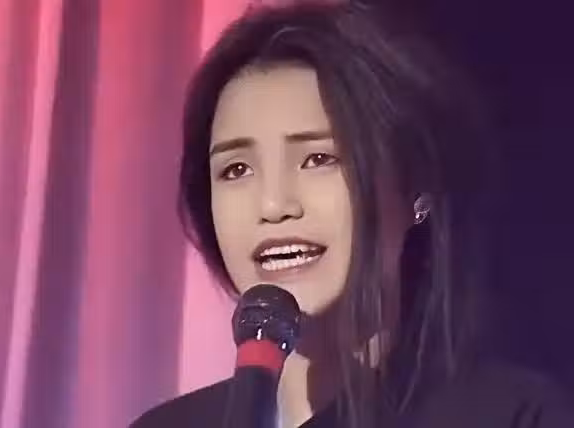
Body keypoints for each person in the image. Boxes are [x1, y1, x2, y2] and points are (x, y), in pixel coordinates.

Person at [131, 2, 574, 427]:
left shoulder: (513, 416)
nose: (273, 206)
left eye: (319, 159)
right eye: (236, 169)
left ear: (415, 186)